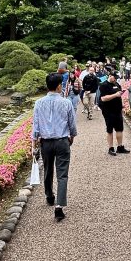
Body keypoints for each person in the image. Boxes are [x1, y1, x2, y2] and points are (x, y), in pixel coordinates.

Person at [32, 72, 77, 222]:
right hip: (62, 140)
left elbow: (35, 127)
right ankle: (59, 206)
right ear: (59, 86)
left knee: (48, 169)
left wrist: (34, 145)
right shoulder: (66, 102)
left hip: (46, 142)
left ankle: (49, 195)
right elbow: (72, 125)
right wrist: (71, 137)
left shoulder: (39, 103)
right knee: (62, 174)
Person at [98, 68, 130, 155]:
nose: (115, 79)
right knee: (110, 130)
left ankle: (120, 147)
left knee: (120, 129)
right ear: (110, 76)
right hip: (108, 111)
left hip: (117, 110)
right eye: (114, 77)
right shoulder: (103, 85)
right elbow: (103, 98)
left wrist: (122, 103)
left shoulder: (117, 84)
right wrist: (115, 95)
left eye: (116, 77)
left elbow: (119, 96)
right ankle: (111, 148)